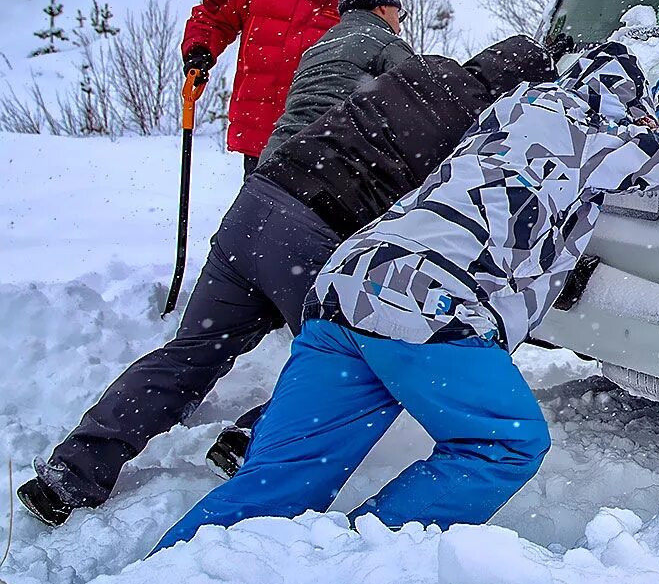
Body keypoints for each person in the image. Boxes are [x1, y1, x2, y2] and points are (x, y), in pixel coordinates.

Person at [153, 41, 659, 551]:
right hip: (428, 305)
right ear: (617, 103)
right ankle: (355, 559)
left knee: (277, 482)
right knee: (507, 441)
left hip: (348, 284)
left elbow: (562, 187)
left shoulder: (508, 115)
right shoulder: (594, 133)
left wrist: (642, 133)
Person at [17, 37, 558, 527]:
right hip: (318, 230)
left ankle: (71, 471)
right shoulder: (488, 125)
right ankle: (251, 443)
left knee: (192, 351)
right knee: (349, 357)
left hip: (258, 204)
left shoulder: (416, 71)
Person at [181, 0, 371, 173]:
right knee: (261, 212)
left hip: (322, 136)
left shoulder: (352, 1)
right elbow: (212, 16)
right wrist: (200, 51)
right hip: (262, 131)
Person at [259, 0, 414, 162]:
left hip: (276, 154)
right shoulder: (385, 40)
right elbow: (419, 96)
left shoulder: (315, 49)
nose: (399, 28)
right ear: (383, 8)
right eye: (399, 14)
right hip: (332, 155)